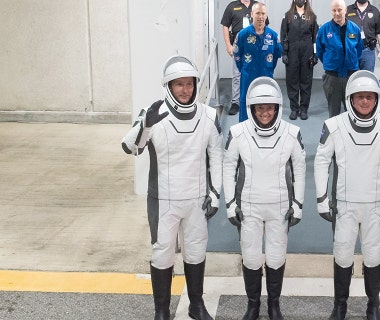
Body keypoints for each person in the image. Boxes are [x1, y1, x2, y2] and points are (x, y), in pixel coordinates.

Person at [121, 56, 223, 320]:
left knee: (196, 250)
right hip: (163, 200)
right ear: (168, 85)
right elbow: (130, 147)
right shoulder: (153, 113)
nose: (185, 90)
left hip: (197, 199)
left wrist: (215, 193)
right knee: (162, 253)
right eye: (179, 84)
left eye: (189, 84)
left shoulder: (208, 115)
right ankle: (162, 311)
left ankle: (196, 305)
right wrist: (146, 125)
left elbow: (217, 156)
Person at [314, 70, 380, 320]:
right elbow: (321, 161)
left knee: (373, 255)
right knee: (342, 254)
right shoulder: (334, 126)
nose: (365, 102)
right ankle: (340, 305)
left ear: (377, 98)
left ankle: (373, 304)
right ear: (350, 98)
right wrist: (322, 199)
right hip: (344, 206)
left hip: (375, 206)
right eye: (360, 97)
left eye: (369, 97)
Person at [223, 77, 306, 320]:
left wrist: (298, 204)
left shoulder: (292, 133)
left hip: (280, 208)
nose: (265, 112)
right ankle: (253, 304)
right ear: (252, 108)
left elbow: (300, 170)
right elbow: (229, 168)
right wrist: (230, 205)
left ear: (278, 107)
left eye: (269, 107)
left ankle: (274, 304)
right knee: (250, 257)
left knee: (276, 256)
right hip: (248, 207)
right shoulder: (237, 133)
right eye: (260, 108)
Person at [234, 2, 283, 123]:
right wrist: (245, 70)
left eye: (263, 13)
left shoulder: (273, 36)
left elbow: (276, 55)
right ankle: (244, 128)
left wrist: (269, 69)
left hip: (267, 76)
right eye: (257, 13)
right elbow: (237, 55)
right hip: (248, 76)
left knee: (265, 104)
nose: (260, 16)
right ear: (252, 14)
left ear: (266, 16)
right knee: (246, 102)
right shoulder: (243, 35)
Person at [316, 0, 363, 117]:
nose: (337, 13)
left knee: (352, 111)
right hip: (332, 77)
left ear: (345, 10)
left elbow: (359, 50)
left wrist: (350, 62)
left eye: (340, 10)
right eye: (334, 10)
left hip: (350, 76)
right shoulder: (323, 30)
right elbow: (320, 51)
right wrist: (330, 63)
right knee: (334, 113)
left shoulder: (355, 29)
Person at [221, 0, 262, 116]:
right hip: (238, 46)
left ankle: (254, 99)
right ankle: (236, 103)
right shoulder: (232, 6)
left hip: (255, 46)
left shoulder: (257, 5)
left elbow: (264, 24)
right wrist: (228, 45)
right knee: (237, 75)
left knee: (255, 73)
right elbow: (225, 26)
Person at [280, 0, 319, 121]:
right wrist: (284, 52)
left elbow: (315, 38)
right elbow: (283, 35)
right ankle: (294, 109)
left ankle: (303, 109)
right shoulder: (288, 15)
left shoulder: (311, 16)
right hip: (292, 53)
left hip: (307, 54)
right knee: (292, 81)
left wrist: (315, 54)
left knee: (306, 82)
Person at [346, 0, 380, 72]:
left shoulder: (375, 11)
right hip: (351, 50)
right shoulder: (347, 10)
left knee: (367, 78)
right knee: (350, 78)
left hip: (368, 51)